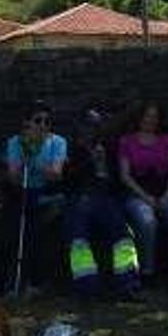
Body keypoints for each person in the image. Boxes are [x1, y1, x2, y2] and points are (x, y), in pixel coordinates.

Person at [64, 109, 139, 298]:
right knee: (78, 238)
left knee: (123, 236)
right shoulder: (72, 149)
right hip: (80, 197)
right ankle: (87, 286)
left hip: (105, 198)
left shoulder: (109, 148)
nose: (92, 131)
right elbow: (67, 179)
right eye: (89, 127)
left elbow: (117, 180)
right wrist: (88, 160)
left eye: (96, 127)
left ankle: (127, 284)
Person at [119, 102, 168, 284]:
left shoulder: (166, 141)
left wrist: (167, 196)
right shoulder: (127, 141)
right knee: (147, 221)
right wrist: (146, 197)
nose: (150, 120)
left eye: (154, 116)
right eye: (147, 116)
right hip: (137, 194)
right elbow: (125, 176)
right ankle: (147, 271)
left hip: (166, 192)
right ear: (139, 118)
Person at [3, 101, 67, 298]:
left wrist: (33, 161)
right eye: (38, 121)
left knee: (40, 229)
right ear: (27, 123)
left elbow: (56, 174)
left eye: (47, 122)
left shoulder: (58, 142)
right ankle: (12, 282)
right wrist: (25, 153)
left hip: (48, 192)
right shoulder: (15, 142)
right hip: (22, 191)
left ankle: (38, 282)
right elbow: (13, 175)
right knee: (14, 228)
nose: (43, 126)